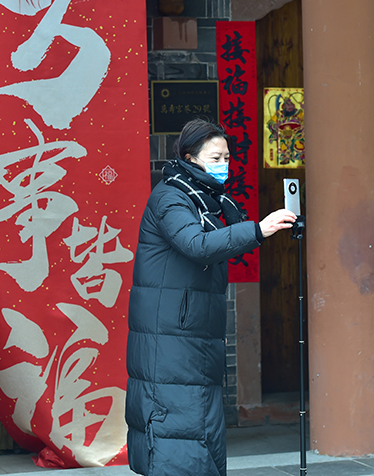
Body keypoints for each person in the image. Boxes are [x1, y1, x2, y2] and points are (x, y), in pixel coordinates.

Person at [125, 119, 298, 476]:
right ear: (190, 158)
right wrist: (258, 229)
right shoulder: (171, 198)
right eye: (215, 157)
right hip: (171, 336)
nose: (224, 164)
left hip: (190, 334)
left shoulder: (202, 199)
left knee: (197, 428)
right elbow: (196, 245)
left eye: (227, 157)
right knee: (177, 431)